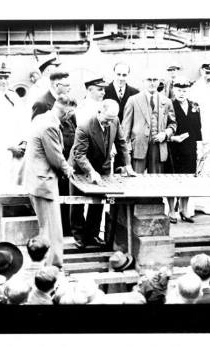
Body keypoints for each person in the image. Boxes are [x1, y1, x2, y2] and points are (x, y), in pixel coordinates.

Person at [69, 99, 136, 249]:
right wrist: (91, 172)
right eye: (106, 121)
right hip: (81, 167)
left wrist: (128, 165)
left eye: (111, 121)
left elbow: (121, 142)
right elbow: (79, 154)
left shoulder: (115, 120)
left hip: (103, 165)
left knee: (99, 202)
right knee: (77, 202)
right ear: (99, 112)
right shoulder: (84, 127)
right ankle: (79, 236)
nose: (108, 124)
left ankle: (92, 234)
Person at [23, 94, 76, 269]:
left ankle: (46, 265)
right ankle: (53, 268)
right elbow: (55, 157)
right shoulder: (50, 126)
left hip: (36, 180)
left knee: (45, 228)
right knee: (53, 232)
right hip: (44, 183)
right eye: (71, 113)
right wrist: (69, 170)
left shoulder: (41, 117)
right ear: (66, 111)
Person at [31, 70, 77, 237]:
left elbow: (74, 128)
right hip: (51, 166)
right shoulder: (42, 104)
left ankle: (66, 231)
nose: (69, 88)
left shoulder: (67, 102)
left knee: (64, 200)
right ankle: (60, 235)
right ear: (57, 85)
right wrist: (65, 166)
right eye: (67, 85)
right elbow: (43, 140)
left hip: (63, 159)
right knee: (53, 215)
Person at [122, 68, 177, 174]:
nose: (152, 83)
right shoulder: (133, 100)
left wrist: (165, 134)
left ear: (159, 81)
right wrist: (126, 149)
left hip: (158, 147)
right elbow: (126, 127)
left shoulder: (167, 101)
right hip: (138, 146)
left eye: (155, 80)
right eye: (149, 80)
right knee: (136, 180)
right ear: (143, 81)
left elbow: (173, 124)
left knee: (156, 182)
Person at [0, 63, 28, 193]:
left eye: (6, 77)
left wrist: (24, 143)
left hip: (18, 154)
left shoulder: (14, 97)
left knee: (14, 190)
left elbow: (24, 122)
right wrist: (10, 146)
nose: (4, 81)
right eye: (0, 77)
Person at [189, 61, 210, 215]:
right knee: (196, 166)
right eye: (207, 73)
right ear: (202, 71)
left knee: (208, 168)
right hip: (197, 133)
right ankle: (192, 204)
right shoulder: (194, 89)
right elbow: (191, 114)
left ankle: (205, 204)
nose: (209, 76)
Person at [165, 77, 202, 223]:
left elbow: (198, 128)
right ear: (174, 90)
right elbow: (165, 126)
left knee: (188, 179)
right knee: (172, 179)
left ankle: (184, 210)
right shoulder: (169, 105)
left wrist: (199, 146)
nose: (182, 93)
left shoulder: (194, 105)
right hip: (174, 148)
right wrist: (173, 138)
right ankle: (171, 210)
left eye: (184, 90)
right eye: (179, 90)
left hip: (190, 148)